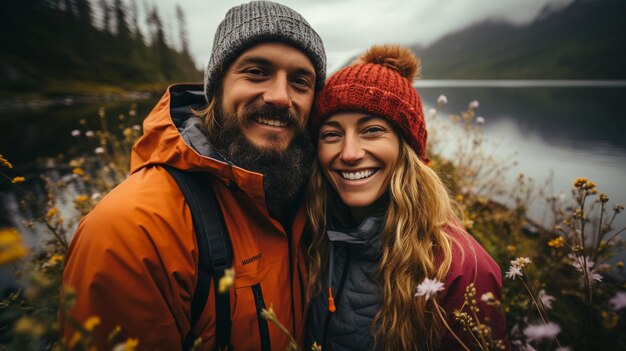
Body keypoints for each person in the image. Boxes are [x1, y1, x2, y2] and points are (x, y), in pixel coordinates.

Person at [60, 1, 326, 350]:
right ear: (215, 88)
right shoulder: (132, 231)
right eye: (257, 72)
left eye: (300, 81)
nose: (280, 96)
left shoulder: (315, 197)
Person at [304, 45, 510, 351]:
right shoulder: (311, 232)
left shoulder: (460, 268)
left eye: (372, 130)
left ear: (408, 149)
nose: (349, 154)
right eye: (331, 134)